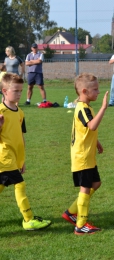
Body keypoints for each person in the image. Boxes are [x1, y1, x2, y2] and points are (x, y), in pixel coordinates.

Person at [0, 73, 51, 230]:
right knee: (20, 185)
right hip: (4, 156)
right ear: (4, 91)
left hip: (14, 158)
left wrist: (21, 160)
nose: (19, 94)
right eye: (15, 91)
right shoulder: (1, 111)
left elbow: (20, 138)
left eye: (21, 91)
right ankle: (28, 220)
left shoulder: (20, 112)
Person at [62, 72, 109, 235]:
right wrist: (103, 107)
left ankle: (71, 212)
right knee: (85, 187)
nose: (98, 92)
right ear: (84, 91)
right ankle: (81, 224)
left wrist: (96, 142)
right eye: (95, 89)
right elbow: (92, 126)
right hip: (82, 156)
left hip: (88, 155)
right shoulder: (82, 108)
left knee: (95, 184)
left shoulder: (86, 107)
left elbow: (85, 130)